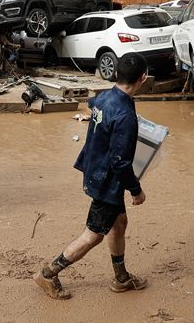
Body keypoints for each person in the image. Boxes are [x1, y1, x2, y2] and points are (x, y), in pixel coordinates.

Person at [34, 52, 150, 300]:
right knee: (92, 235)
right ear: (143, 77)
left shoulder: (103, 98)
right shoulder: (125, 116)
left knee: (119, 223)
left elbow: (94, 109)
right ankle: (49, 273)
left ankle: (121, 278)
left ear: (116, 73)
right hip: (108, 181)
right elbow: (121, 162)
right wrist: (136, 190)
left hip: (94, 170)